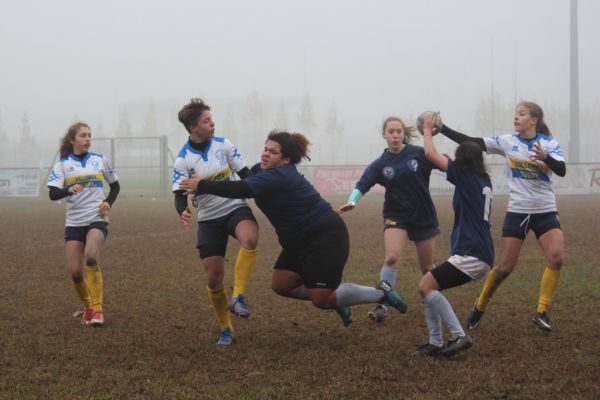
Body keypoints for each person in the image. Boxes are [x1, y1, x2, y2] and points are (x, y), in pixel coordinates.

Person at [178, 130, 409, 328]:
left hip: (323, 235)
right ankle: (336, 298)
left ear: (286, 160)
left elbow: (241, 189)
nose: (265, 153)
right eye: (265, 148)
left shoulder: (280, 176)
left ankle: (381, 294)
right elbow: (245, 181)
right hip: (298, 240)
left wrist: (202, 185)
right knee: (282, 284)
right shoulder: (263, 170)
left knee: (321, 298)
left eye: (273, 151)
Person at [438, 101, 566, 332]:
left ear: (534, 119)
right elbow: (473, 142)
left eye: (521, 114)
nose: (516, 117)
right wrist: (443, 127)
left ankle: (541, 311)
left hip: (545, 210)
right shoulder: (508, 142)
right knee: (505, 268)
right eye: (516, 114)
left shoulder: (549, 143)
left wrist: (546, 156)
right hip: (518, 211)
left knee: (556, 258)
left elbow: (561, 170)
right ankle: (480, 305)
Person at [172, 98, 259, 346]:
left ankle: (239, 297)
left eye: (212, 119)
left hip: (234, 208)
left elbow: (247, 176)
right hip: (209, 219)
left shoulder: (224, 145)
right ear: (192, 127)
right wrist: (183, 211)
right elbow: (178, 196)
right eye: (206, 121)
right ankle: (226, 328)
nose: (213, 124)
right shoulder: (183, 160)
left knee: (250, 238)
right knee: (213, 278)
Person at [338, 116, 439, 322]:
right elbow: (362, 184)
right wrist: (352, 201)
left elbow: (442, 163)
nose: (395, 135)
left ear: (404, 134)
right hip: (396, 215)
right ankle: (383, 304)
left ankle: (435, 302)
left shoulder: (419, 154)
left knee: (427, 268)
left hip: (423, 215)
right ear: (384, 135)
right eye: (391, 132)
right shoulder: (380, 164)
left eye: (398, 132)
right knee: (392, 257)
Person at [411, 112, 494, 357]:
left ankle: (457, 335)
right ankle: (435, 342)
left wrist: (427, 130)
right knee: (429, 285)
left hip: (472, 253)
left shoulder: (466, 176)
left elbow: (429, 155)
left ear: (462, 161)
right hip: (481, 253)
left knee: (426, 285)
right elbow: (453, 169)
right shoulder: (482, 178)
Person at [47, 122, 120, 327]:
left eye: (89, 135)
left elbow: (115, 185)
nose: (88, 139)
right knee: (76, 273)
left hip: (97, 217)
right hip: (74, 221)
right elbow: (53, 194)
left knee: (90, 257)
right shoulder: (62, 164)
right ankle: (88, 306)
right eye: (83, 136)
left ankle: (98, 310)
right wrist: (68, 189)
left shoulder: (100, 160)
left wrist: (108, 202)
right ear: (72, 140)